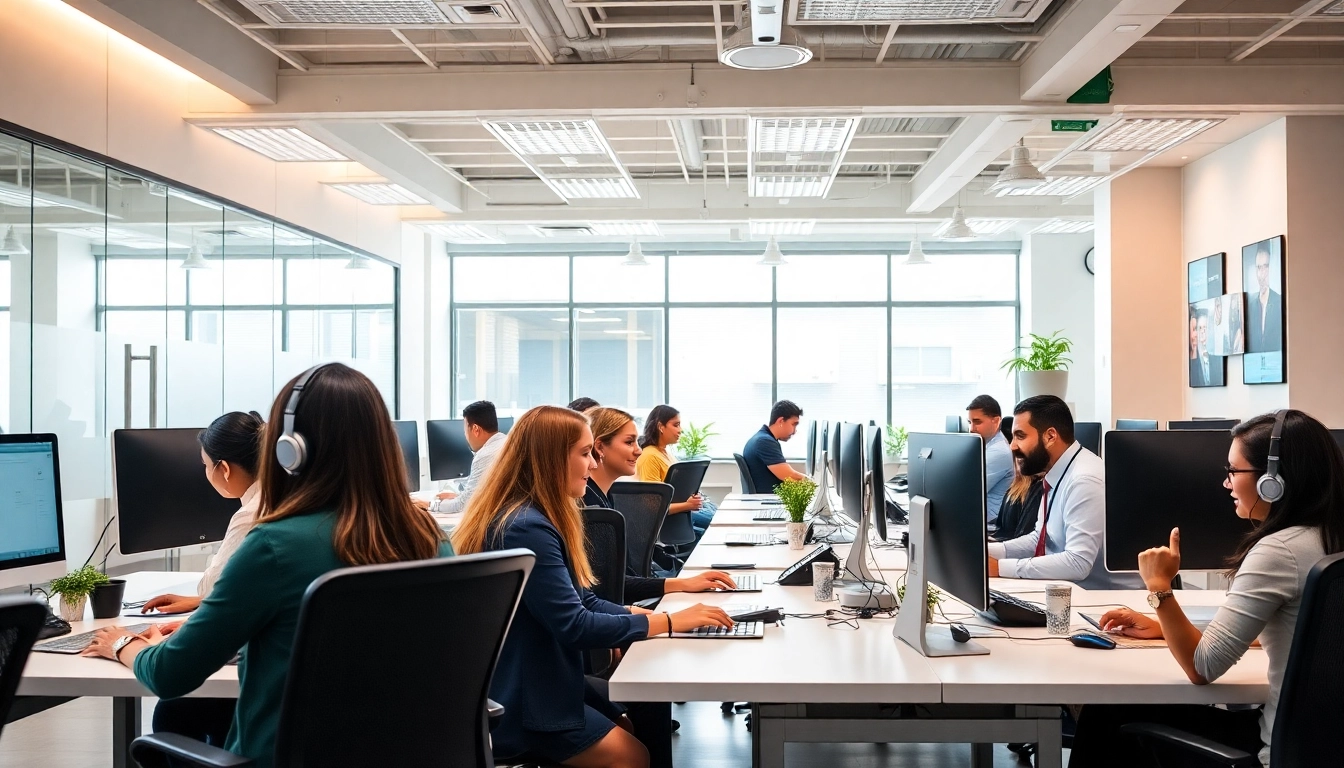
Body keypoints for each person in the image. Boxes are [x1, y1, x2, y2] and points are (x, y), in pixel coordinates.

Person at [81, 364, 453, 768]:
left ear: (290, 449)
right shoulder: (429, 536)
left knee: (173, 712)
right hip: (408, 756)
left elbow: (170, 675)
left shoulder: (274, 545)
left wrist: (123, 643)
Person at [452, 405, 731, 768]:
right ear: (551, 459)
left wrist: (639, 614)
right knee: (631, 755)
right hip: (524, 694)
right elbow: (573, 623)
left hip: (544, 673)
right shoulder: (526, 526)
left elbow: (584, 599)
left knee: (629, 727)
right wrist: (668, 623)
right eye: (585, 454)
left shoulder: (539, 516)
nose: (594, 464)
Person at [1070, 410, 1344, 768]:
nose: (1226, 483)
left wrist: (1159, 587)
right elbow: (1310, 636)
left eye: (1234, 471)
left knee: (1108, 712)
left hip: (1279, 752)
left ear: (1272, 481)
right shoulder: (1330, 537)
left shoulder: (1280, 551)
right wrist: (1168, 629)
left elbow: (1203, 667)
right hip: (1325, 747)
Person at [133, 411, 265, 749]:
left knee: (173, 710)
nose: (206, 474)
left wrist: (123, 644)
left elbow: (214, 586)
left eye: (206, 465)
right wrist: (204, 607)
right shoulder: (290, 502)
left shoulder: (252, 513)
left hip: (257, 696)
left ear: (223, 468)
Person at [987, 395, 1140, 589]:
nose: (1012, 445)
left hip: (1106, 600)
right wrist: (986, 552)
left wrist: (1000, 567)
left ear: (1050, 436)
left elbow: (1078, 563)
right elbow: (1039, 538)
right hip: (1071, 591)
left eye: (1020, 436)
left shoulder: (1084, 480)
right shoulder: (1059, 472)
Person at [585, 406, 733, 595]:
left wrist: (683, 583)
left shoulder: (605, 500)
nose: (639, 451)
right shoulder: (591, 509)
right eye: (629, 442)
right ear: (599, 447)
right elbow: (604, 590)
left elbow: (620, 581)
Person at [635, 404, 713, 535]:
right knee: (716, 524)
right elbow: (652, 507)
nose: (680, 430)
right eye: (676, 425)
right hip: (672, 520)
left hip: (683, 513)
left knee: (719, 516)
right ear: (660, 427)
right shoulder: (649, 456)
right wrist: (687, 505)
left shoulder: (666, 453)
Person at [436, 400, 506, 515]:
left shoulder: (485, 455)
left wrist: (430, 505)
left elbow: (462, 505)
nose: (465, 436)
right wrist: (461, 496)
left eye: (465, 431)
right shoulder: (507, 442)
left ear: (475, 430)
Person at [966, 394, 1013, 534]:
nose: (971, 428)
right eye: (970, 422)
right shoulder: (985, 445)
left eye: (977, 422)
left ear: (996, 421)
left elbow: (968, 491)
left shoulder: (999, 451)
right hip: (978, 521)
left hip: (989, 528)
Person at [742, 400, 807, 494]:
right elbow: (789, 476)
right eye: (793, 424)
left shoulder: (763, 438)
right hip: (768, 502)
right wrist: (815, 484)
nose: (794, 431)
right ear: (781, 421)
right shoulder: (764, 442)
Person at [991, 460, 1044, 543]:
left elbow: (1023, 535)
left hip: (1013, 545)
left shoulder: (1036, 491)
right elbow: (1001, 525)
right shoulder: (1013, 489)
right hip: (1002, 539)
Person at [1246, 244, 1282, 353]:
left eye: (1266, 267)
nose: (1262, 273)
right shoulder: (1250, 306)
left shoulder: (1279, 302)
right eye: (1259, 268)